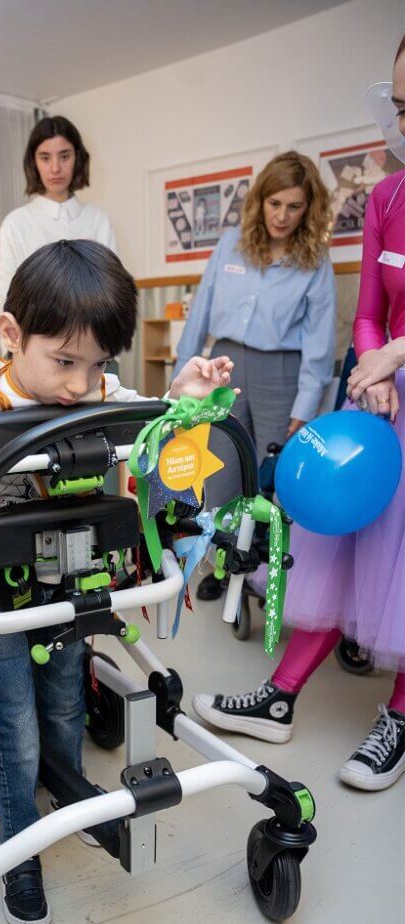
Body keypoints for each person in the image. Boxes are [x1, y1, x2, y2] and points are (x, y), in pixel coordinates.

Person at [0, 239, 234, 924]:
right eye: (64, 361)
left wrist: (184, 397)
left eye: (99, 365)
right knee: (16, 731)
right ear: (11, 333)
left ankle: (70, 799)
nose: (81, 386)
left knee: (63, 707)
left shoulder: (96, 390)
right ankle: (19, 851)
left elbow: (154, 423)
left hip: (70, 578)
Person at [192, 38, 405, 793]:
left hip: (363, 374)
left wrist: (390, 356)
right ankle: (277, 689)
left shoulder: (312, 261)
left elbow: (341, 344)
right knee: (329, 536)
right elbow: (367, 315)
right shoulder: (385, 200)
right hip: (370, 395)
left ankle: (398, 715)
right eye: (401, 106)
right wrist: (375, 366)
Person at [174, 151, 337, 599]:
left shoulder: (314, 260)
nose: (282, 216)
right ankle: (223, 566)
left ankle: (266, 575)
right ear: (260, 200)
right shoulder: (231, 243)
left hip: (281, 373)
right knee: (221, 472)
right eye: (274, 203)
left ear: (308, 209)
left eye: (294, 206)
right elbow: (199, 313)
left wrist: (305, 404)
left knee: (275, 478)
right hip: (223, 365)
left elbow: (320, 342)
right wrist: (179, 382)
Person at [0, 116, 117, 327]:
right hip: (30, 343)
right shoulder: (15, 224)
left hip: (92, 344)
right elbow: (3, 304)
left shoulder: (98, 222)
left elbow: (113, 297)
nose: (55, 168)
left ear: (77, 158)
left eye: (64, 156)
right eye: (45, 158)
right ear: (34, 162)